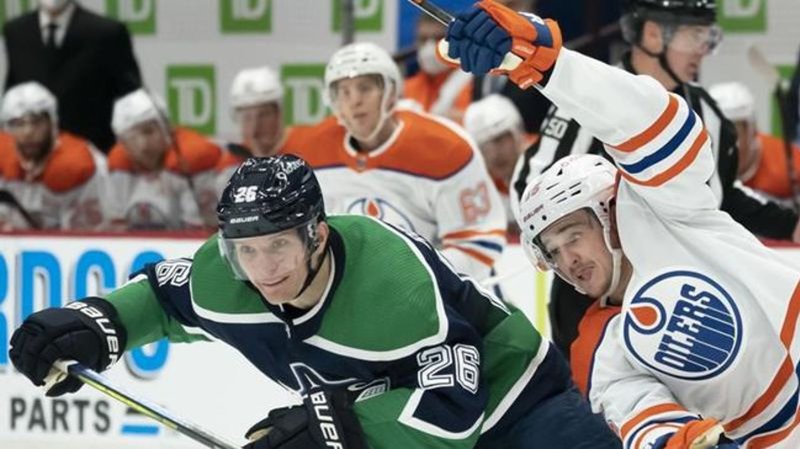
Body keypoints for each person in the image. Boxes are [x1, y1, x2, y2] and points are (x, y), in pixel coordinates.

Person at [8, 154, 622, 449]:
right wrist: (97, 322)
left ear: (316, 236)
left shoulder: (394, 282)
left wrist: (333, 428)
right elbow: (162, 297)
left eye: (278, 245)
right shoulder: (228, 274)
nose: (263, 268)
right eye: (246, 250)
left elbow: (454, 410)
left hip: (518, 408)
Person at [444, 0, 800, 447]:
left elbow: (654, 128)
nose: (567, 259)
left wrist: (552, 64)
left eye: (573, 235)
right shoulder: (602, 344)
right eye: (552, 252)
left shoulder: (673, 211)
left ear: (610, 213)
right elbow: (638, 413)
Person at [509, 0, 800, 358]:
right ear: (652, 34)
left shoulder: (708, 114)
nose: (704, 49)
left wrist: (790, 224)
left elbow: (720, 196)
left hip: (684, 302)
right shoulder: (584, 103)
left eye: (708, 36)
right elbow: (531, 194)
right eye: (695, 35)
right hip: (593, 304)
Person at [287, 42, 507, 281]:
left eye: (365, 88)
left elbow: (478, 244)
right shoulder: (311, 152)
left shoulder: (446, 148)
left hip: (439, 291)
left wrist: (408, 280)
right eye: (344, 92)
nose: (354, 101)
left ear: (391, 92)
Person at [3, 0, 142, 153]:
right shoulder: (16, 32)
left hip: (92, 156)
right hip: (30, 156)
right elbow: (12, 95)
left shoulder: (107, 33)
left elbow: (132, 99)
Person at [107, 88, 222, 230]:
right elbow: (117, 228)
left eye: (149, 132)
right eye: (131, 138)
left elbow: (200, 233)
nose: (143, 145)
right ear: (122, 143)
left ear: (166, 128)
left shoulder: (188, 161)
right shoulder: (121, 169)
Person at [0, 81, 107, 230]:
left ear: (52, 124)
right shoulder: (4, 161)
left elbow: (91, 233)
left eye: (37, 122)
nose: (28, 132)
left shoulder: (80, 164)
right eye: (18, 124)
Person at [216, 66, 311, 194]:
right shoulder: (232, 163)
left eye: (263, 115)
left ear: (279, 113)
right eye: (247, 118)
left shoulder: (309, 146)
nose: (254, 129)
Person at [709, 81, 800, 210]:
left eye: (730, 135)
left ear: (751, 131)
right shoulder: (699, 165)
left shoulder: (792, 166)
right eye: (713, 134)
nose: (721, 146)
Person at [463, 94, 536, 231]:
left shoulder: (548, 157)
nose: (494, 154)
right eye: (483, 147)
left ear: (517, 133)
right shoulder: (478, 182)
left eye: (499, 140)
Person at [403, 13, 473, 123]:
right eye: (423, 39)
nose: (430, 47)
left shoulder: (473, 85)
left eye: (438, 38)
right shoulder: (405, 89)